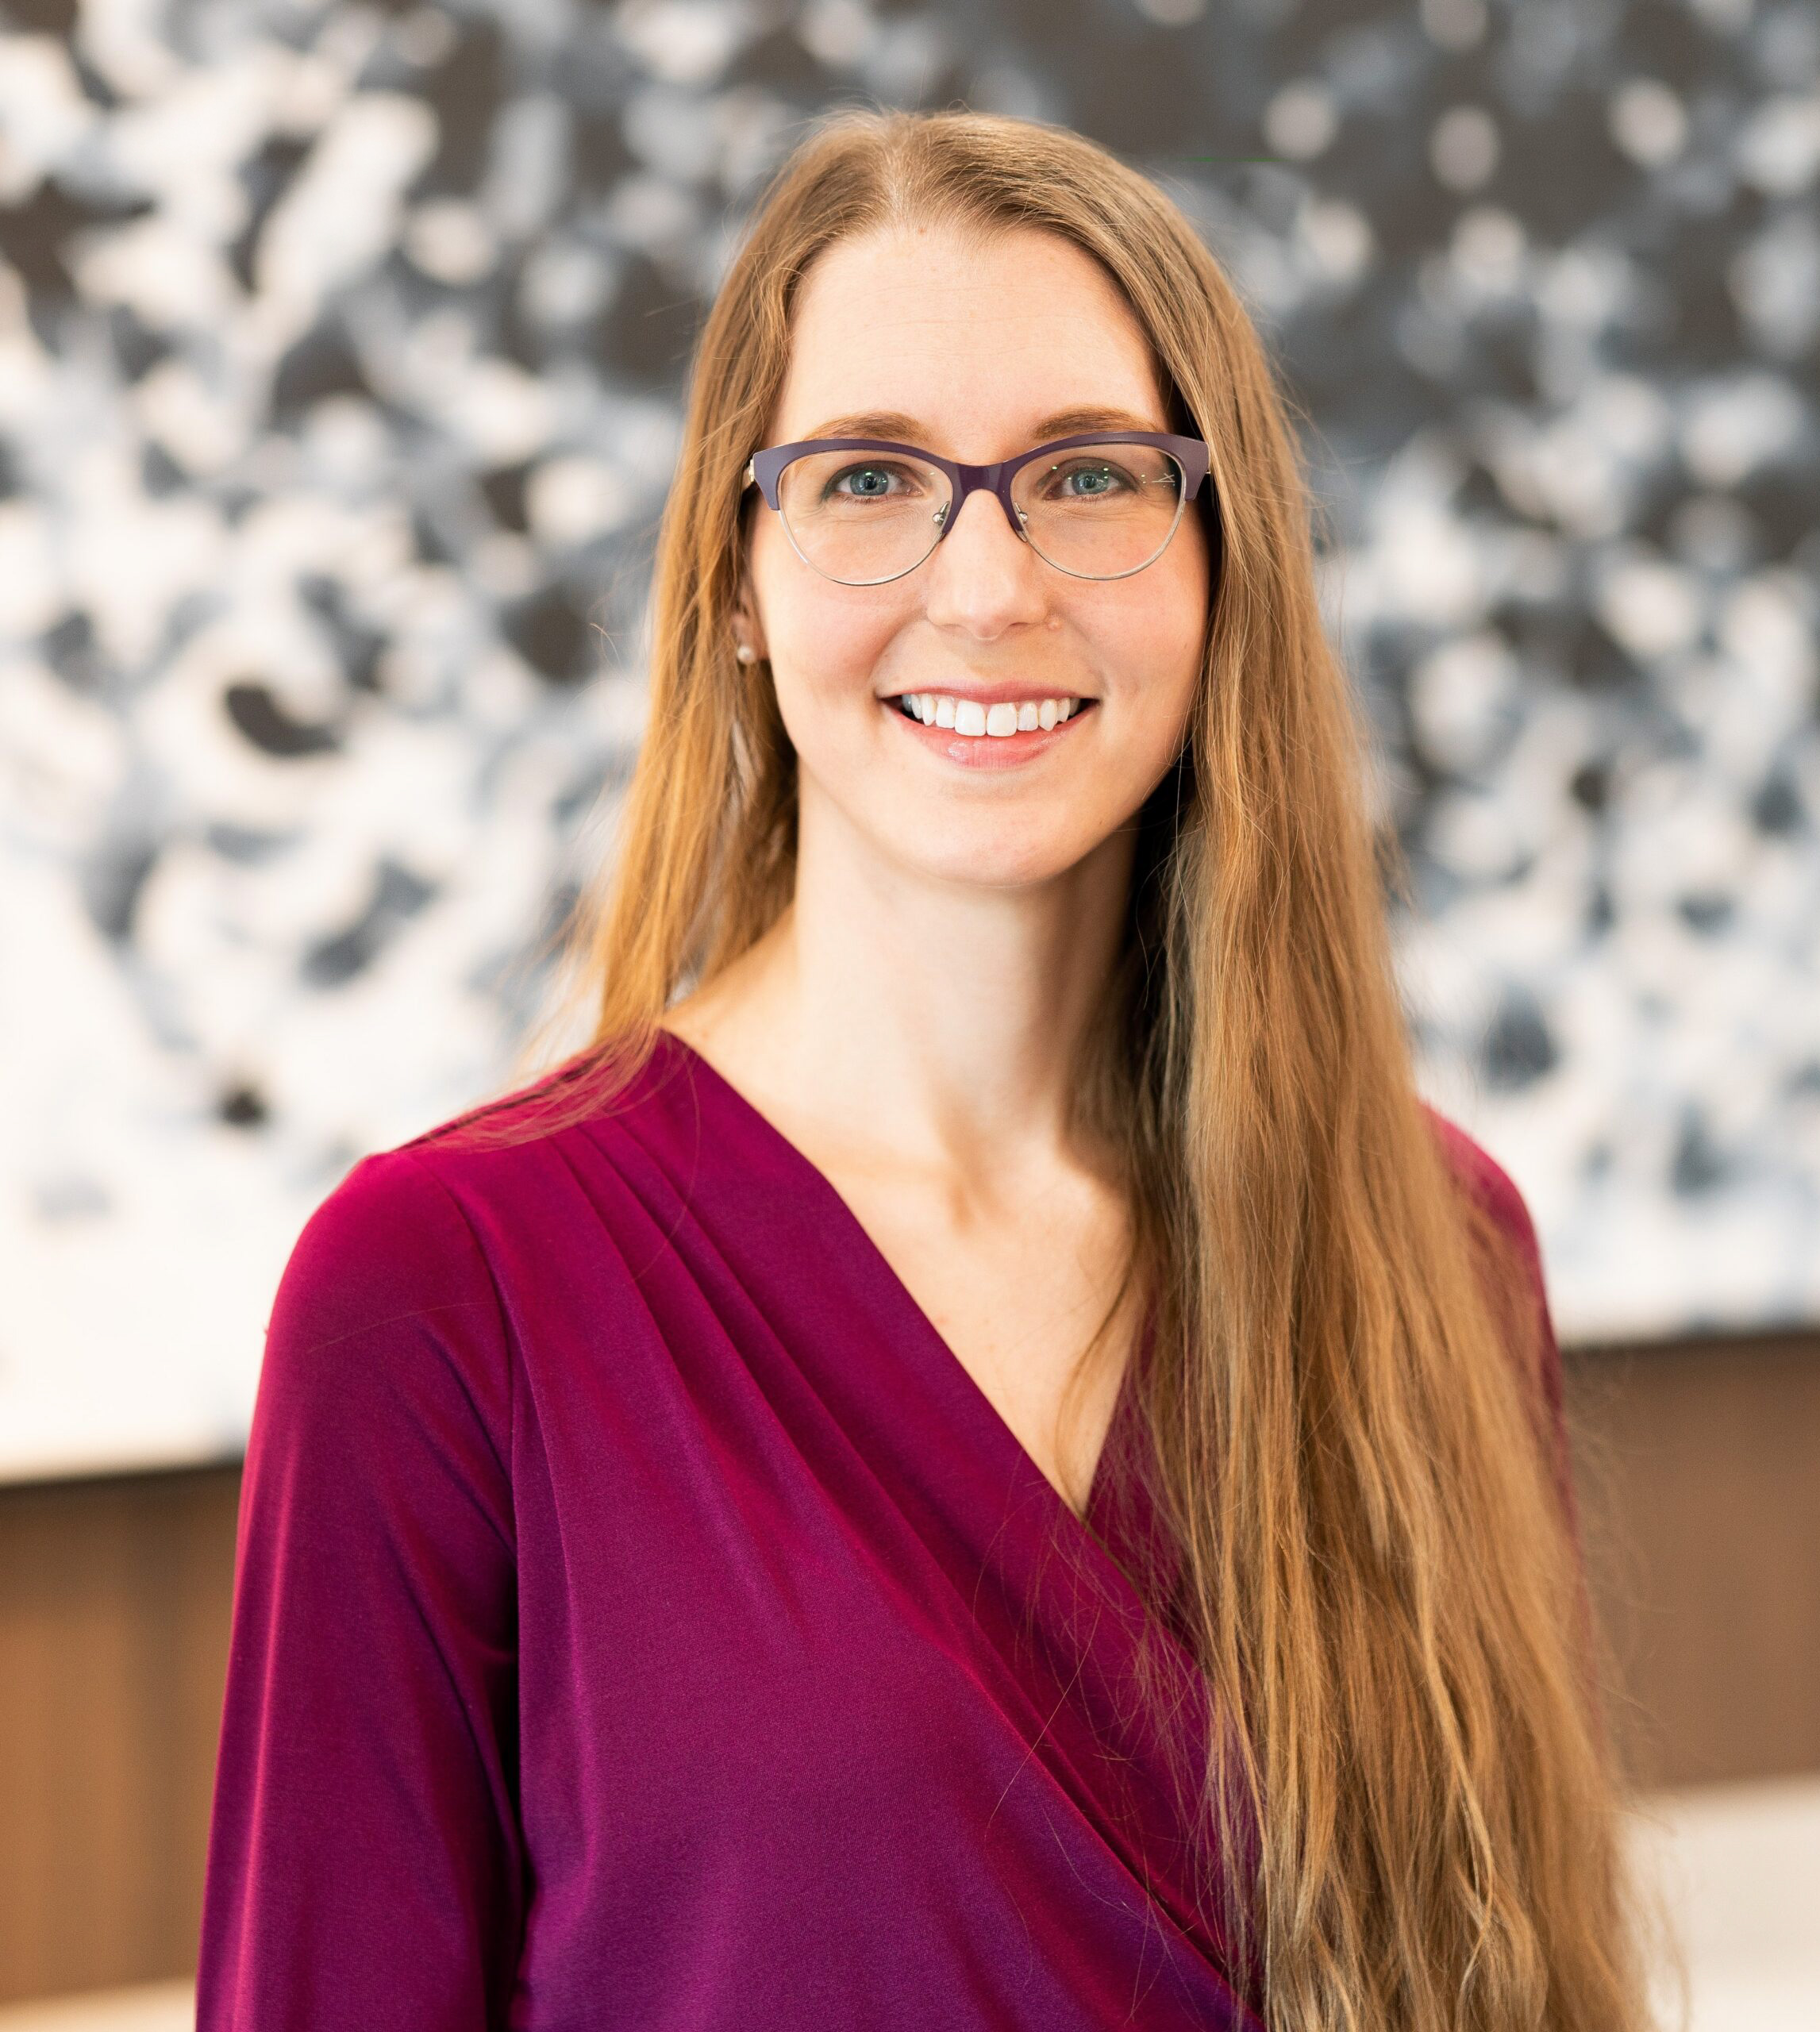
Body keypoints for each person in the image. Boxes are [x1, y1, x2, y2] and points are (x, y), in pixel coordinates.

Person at [197, 108, 1648, 2032]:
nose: (983, 587)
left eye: (1086, 477)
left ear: (1220, 571)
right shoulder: (440, 1293)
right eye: (870, 476)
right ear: (734, 579)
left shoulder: (1435, 1241)